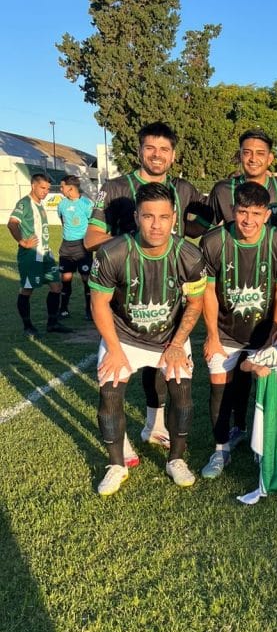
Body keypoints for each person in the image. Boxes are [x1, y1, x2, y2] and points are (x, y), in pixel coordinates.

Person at [85, 121, 210, 449]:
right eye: (150, 148)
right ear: (139, 150)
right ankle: (121, 441)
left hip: (169, 292)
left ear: (173, 155)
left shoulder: (184, 189)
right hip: (126, 293)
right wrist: (136, 245)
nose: (157, 155)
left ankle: (154, 425)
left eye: (164, 149)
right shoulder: (116, 188)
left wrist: (182, 241)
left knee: (162, 365)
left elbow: (204, 223)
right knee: (120, 367)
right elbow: (91, 238)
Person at [88, 182, 207, 496]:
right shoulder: (112, 252)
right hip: (123, 336)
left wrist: (177, 344)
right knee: (110, 393)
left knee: (182, 394)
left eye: (164, 217)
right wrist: (114, 349)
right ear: (136, 217)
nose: (156, 225)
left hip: (169, 337)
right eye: (148, 216)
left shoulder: (190, 255)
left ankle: (176, 459)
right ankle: (116, 465)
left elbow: (195, 303)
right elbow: (99, 303)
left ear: (174, 219)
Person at [198, 182, 277, 479]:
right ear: (233, 211)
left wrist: (276, 331)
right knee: (220, 385)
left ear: (267, 215)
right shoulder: (213, 241)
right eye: (243, 212)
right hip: (226, 331)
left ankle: (264, 445)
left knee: (270, 388)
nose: (248, 220)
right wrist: (212, 336)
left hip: (265, 332)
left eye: (256, 213)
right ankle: (220, 450)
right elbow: (207, 292)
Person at [208, 128, 277, 233]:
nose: (253, 159)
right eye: (247, 153)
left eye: (260, 153)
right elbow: (202, 226)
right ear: (240, 156)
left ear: (270, 158)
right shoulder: (222, 190)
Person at [8, 172, 70, 337]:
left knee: (56, 286)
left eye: (48, 189)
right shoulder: (25, 203)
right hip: (31, 255)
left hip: (46, 255)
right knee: (27, 289)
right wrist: (22, 242)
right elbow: (12, 223)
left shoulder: (40, 204)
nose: (46, 192)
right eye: (43, 188)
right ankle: (27, 326)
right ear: (33, 185)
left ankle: (52, 323)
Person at [57, 175, 94, 319]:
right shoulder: (62, 204)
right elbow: (63, 221)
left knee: (86, 279)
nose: (61, 189)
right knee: (66, 278)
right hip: (66, 246)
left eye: (62, 186)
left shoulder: (86, 204)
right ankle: (63, 309)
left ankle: (89, 310)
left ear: (71, 188)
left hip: (83, 246)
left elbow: (93, 225)